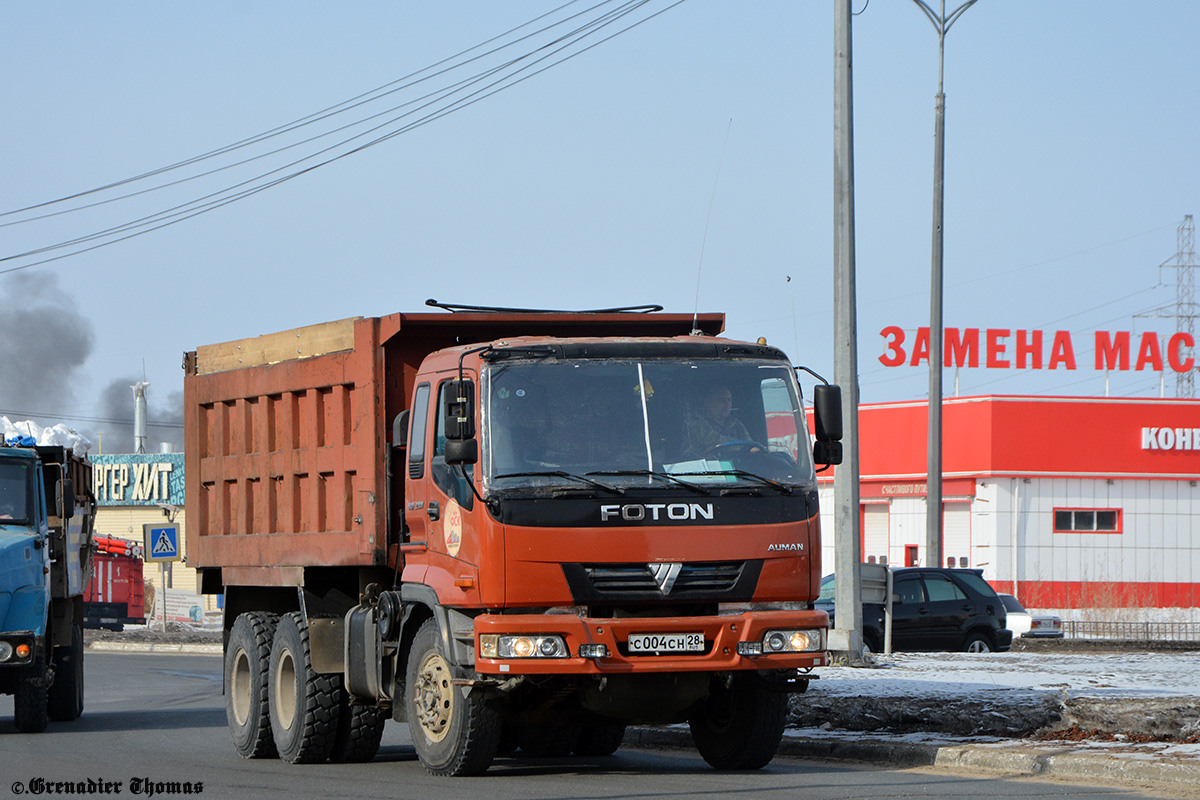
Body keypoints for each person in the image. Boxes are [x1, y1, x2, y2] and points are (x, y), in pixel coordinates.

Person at [681, 385, 753, 458]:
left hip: (736, 467)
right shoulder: (695, 422)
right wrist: (744, 447)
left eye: (729, 400)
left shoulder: (735, 423)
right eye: (722, 401)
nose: (727, 404)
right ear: (708, 403)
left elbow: (751, 445)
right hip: (699, 467)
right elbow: (717, 442)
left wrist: (757, 449)